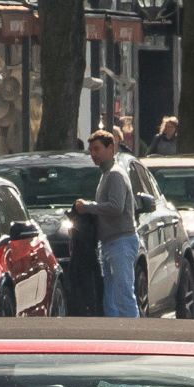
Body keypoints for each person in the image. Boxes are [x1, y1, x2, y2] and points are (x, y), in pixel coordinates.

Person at [74, 130, 140, 318]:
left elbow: (116, 207)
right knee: (110, 301)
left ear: (110, 148)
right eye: (91, 151)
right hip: (110, 243)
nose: (93, 154)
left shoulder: (115, 174)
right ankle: (116, 339)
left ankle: (134, 337)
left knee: (123, 296)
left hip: (121, 241)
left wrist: (88, 207)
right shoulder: (106, 175)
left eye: (97, 149)